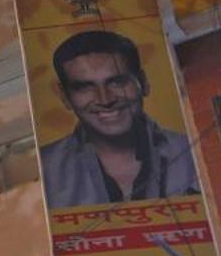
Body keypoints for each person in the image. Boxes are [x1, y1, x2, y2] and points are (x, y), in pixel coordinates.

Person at [37, 29, 200, 206]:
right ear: (65, 97)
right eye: (85, 87)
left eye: (118, 82)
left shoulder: (195, 152)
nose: (105, 100)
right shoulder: (44, 168)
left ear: (143, 83)